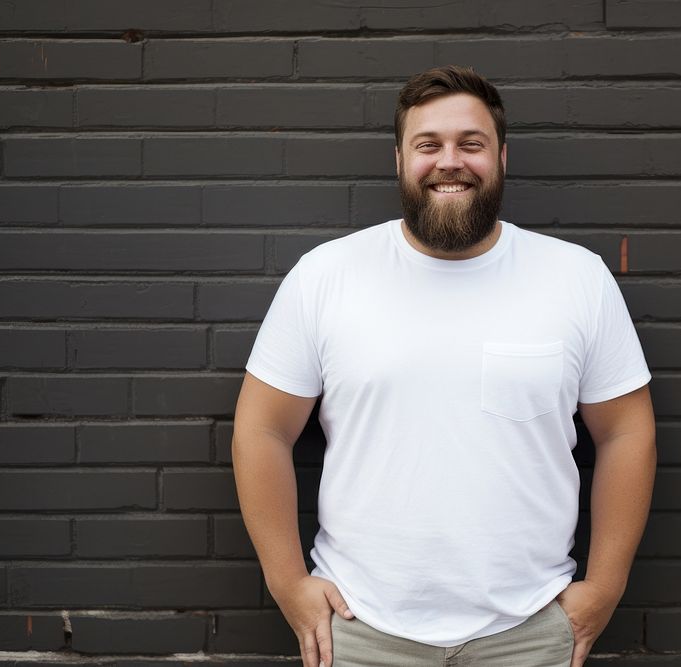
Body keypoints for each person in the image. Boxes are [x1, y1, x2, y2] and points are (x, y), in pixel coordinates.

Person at [232, 65, 656, 667]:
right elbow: (261, 429)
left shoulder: (575, 278)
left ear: (502, 157)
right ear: (399, 159)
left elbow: (626, 432)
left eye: (471, 144)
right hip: (359, 632)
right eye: (428, 145)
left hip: (530, 633)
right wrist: (287, 583)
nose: (449, 161)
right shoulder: (327, 277)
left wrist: (603, 592)